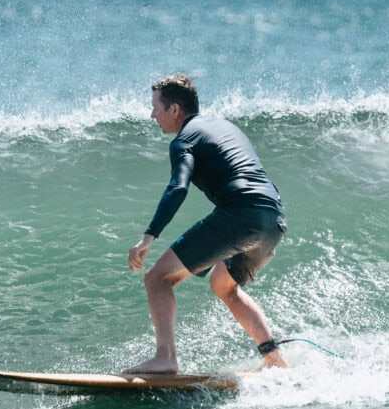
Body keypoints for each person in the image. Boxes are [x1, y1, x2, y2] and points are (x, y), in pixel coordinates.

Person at [124, 74, 289, 374]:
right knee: (223, 284)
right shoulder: (225, 126)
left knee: (157, 278)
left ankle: (165, 358)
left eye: (156, 108)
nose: (152, 115)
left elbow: (178, 187)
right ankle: (274, 358)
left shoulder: (184, 139)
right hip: (273, 218)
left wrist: (149, 237)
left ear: (174, 109)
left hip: (241, 214)